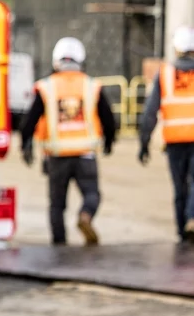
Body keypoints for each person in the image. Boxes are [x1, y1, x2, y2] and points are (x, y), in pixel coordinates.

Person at [20, 37, 116, 246]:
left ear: (56, 61)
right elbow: (108, 118)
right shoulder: (91, 85)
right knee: (92, 194)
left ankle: (59, 245)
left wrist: (25, 145)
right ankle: (85, 215)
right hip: (85, 154)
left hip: (56, 156)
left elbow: (30, 120)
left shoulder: (46, 87)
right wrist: (109, 141)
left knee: (57, 205)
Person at [139, 25, 194, 243]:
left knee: (179, 187)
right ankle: (192, 218)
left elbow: (150, 112)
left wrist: (144, 142)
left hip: (174, 141)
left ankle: (182, 231)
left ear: (176, 48)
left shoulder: (165, 74)